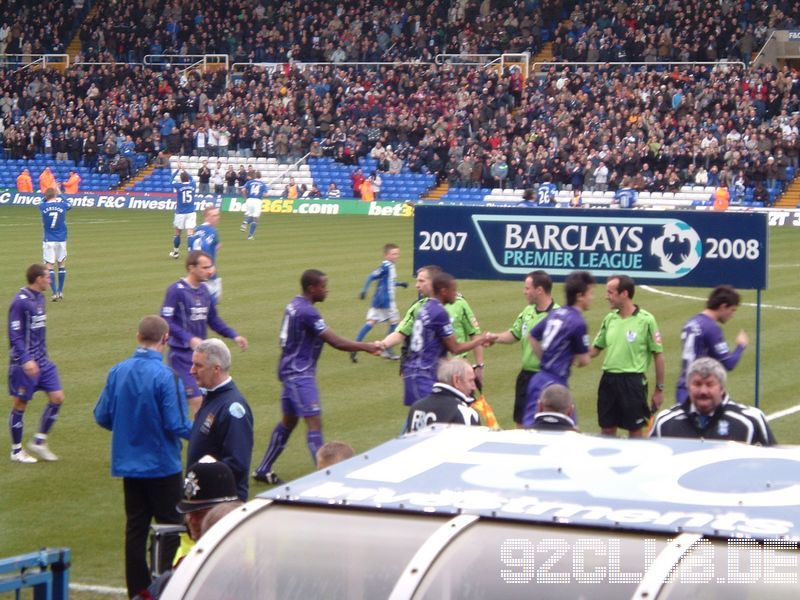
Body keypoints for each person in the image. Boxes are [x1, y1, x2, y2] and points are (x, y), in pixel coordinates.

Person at [93, 315, 192, 599]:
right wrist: (202, 434)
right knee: (170, 528)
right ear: (165, 339)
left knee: (135, 530)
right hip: (163, 467)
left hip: (129, 466)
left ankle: (137, 592)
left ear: (138, 337)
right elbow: (177, 423)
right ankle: (162, 587)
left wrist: (127, 426)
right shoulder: (166, 376)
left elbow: (102, 416)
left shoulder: (117, 371)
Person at [252, 269, 382, 484]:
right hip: (299, 374)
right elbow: (336, 342)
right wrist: (367, 346)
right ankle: (325, 478)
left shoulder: (294, 304)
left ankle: (263, 468)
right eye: (323, 286)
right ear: (312, 288)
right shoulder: (308, 312)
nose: (327, 290)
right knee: (314, 423)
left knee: (289, 420)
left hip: (289, 368)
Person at [381, 271, 494, 407]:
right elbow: (455, 348)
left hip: (419, 372)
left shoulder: (424, 308)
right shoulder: (439, 312)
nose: (456, 293)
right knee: (435, 417)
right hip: (425, 375)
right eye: (454, 290)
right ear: (444, 291)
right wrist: (481, 340)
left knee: (428, 417)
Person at [135, 457, 241, 600]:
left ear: (227, 513)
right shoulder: (181, 566)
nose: (191, 520)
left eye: (200, 513)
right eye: (188, 513)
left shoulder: (257, 558)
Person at [161, 251, 248, 416]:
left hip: (202, 358)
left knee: (207, 405)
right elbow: (166, 321)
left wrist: (234, 335)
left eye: (211, 266)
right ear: (191, 268)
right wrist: (189, 339)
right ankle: (201, 440)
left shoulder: (204, 291)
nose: (211, 271)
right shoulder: (176, 290)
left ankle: (205, 438)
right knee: (199, 404)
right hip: (181, 358)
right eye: (205, 267)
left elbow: (213, 319)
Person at [590, 274, 665, 438]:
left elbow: (658, 355)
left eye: (610, 293)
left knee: (635, 431)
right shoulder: (609, 319)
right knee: (607, 430)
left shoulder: (646, 320)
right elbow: (595, 349)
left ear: (624, 294)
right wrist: (572, 353)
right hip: (608, 380)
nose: (606, 297)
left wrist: (659, 389)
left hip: (633, 382)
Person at [7, 264, 65, 463]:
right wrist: (25, 360)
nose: (50, 280)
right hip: (24, 364)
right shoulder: (20, 302)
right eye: (48, 277)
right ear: (38, 279)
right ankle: (16, 451)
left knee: (57, 397)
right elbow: (14, 334)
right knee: (20, 403)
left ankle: (39, 442)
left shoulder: (40, 298)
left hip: (43, 361)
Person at [524, 270, 595, 427]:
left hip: (540, 378)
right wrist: (580, 355)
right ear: (580, 296)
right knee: (567, 427)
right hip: (554, 382)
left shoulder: (556, 313)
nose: (592, 298)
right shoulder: (578, 322)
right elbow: (583, 360)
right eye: (590, 293)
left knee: (533, 426)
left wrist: (545, 358)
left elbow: (532, 335)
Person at [651, 357, 775, 445]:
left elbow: (774, 466)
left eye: (710, 384)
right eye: (697, 384)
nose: (703, 391)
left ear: (721, 388)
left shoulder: (750, 421)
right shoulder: (665, 423)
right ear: (688, 387)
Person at [187, 338, 253, 501]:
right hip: (205, 499)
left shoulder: (233, 408)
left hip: (220, 504)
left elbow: (236, 465)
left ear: (216, 368)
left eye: (198, 365)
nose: (191, 370)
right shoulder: (212, 397)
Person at [492, 271, 558, 427]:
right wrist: (494, 337)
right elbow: (514, 334)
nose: (524, 292)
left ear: (539, 290)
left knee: (547, 424)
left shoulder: (558, 315)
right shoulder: (527, 311)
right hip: (526, 376)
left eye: (527, 288)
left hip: (548, 378)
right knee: (521, 423)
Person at [675, 285, 749, 404]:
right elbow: (728, 363)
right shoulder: (711, 328)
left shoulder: (690, 323)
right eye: (732, 310)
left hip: (683, 387)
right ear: (723, 306)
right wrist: (741, 346)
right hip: (699, 391)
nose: (732, 315)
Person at [352, 243, 408, 363]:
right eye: (393, 254)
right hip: (386, 301)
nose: (396, 256)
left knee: (370, 323)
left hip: (377, 300)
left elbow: (388, 282)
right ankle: (387, 349)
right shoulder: (386, 265)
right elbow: (371, 276)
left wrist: (400, 283)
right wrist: (364, 290)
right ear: (386, 255)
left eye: (397, 254)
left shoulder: (389, 266)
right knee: (395, 324)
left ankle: (354, 348)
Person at [405, 358, 481, 432]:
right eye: (470, 380)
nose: (474, 387)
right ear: (456, 380)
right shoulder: (465, 413)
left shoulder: (416, 407)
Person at [38, 187, 71, 301]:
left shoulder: (43, 206)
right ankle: (61, 291)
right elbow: (70, 204)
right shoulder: (62, 205)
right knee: (61, 265)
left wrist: (47, 196)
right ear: (55, 195)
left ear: (46, 196)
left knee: (49, 266)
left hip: (49, 239)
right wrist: (60, 194)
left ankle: (54, 292)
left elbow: (41, 202)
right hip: (61, 239)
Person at [188, 207, 223, 303]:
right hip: (207, 272)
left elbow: (191, 250)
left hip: (195, 272)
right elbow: (205, 247)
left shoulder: (196, 230)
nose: (217, 217)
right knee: (213, 301)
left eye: (218, 215)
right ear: (207, 217)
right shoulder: (212, 231)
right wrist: (209, 266)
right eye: (214, 215)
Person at [169, 167, 196, 259]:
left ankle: (176, 252)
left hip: (180, 213)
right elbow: (191, 178)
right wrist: (184, 169)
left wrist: (177, 170)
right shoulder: (193, 184)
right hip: (191, 212)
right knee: (190, 233)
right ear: (188, 178)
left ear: (181, 179)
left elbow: (170, 180)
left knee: (177, 233)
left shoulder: (179, 186)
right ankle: (190, 252)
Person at [240, 171, 268, 240]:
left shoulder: (249, 182)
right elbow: (266, 195)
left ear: (255, 176)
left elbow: (243, 190)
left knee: (250, 216)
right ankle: (250, 236)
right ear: (260, 176)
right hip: (257, 201)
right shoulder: (262, 184)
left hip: (249, 200)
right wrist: (263, 194)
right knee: (255, 219)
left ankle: (245, 222)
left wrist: (245, 198)